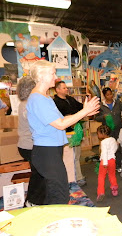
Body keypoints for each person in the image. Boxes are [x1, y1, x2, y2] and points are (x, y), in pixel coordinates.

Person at [26, 60, 100, 204]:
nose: (56, 77)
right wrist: (84, 111)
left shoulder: (45, 97)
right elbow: (60, 125)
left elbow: (63, 119)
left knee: (45, 192)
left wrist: (84, 113)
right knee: (59, 193)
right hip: (46, 152)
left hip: (50, 150)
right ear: (41, 76)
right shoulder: (38, 99)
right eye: (53, 73)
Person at [17, 76, 45, 207]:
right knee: (39, 174)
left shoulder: (25, 103)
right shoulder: (28, 104)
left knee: (39, 174)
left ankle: (34, 200)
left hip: (27, 145)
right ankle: (32, 201)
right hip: (29, 145)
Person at [53, 80, 86, 187]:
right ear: (57, 90)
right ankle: (73, 178)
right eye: (64, 88)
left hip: (76, 131)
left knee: (76, 155)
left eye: (66, 87)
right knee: (68, 157)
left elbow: (80, 107)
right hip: (64, 133)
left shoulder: (70, 99)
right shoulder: (55, 102)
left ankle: (77, 177)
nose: (66, 89)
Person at [95, 87, 122, 172]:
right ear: (104, 96)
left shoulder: (117, 103)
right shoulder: (101, 105)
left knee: (118, 147)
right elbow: (96, 118)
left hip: (118, 129)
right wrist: (103, 117)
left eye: (111, 94)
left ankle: (118, 165)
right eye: (108, 95)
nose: (110, 96)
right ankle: (108, 165)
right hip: (107, 131)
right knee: (108, 148)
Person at [96, 125, 118, 201]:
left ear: (102, 133)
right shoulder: (113, 139)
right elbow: (115, 148)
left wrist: (104, 162)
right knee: (112, 174)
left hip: (105, 161)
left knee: (101, 177)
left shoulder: (103, 142)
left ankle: (101, 192)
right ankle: (114, 187)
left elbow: (104, 152)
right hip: (112, 160)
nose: (98, 135)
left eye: (98, 133)